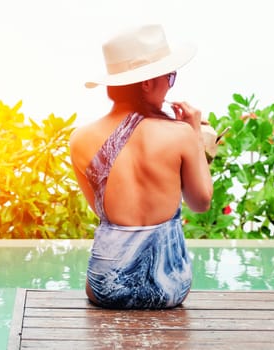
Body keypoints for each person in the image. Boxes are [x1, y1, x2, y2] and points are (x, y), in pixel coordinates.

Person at [69, 24, 215, 309]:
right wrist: (195, 133)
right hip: (169, 287)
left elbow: (102, 211)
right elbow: (201, 202)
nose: (170, 85)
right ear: (147, 83)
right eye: (170, 77)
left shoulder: (80, 139)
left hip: (105, 288)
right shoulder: (180, 134)